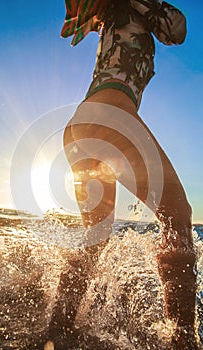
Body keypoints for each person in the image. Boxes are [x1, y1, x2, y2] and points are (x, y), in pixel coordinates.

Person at [47, 1, 197, 349]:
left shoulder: (114, 18)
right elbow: (177, 30)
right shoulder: (133, 9)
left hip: (82, 126)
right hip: (113, 117)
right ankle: (184, 340)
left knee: (96, 235)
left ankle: (58, 329)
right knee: (177, 215)